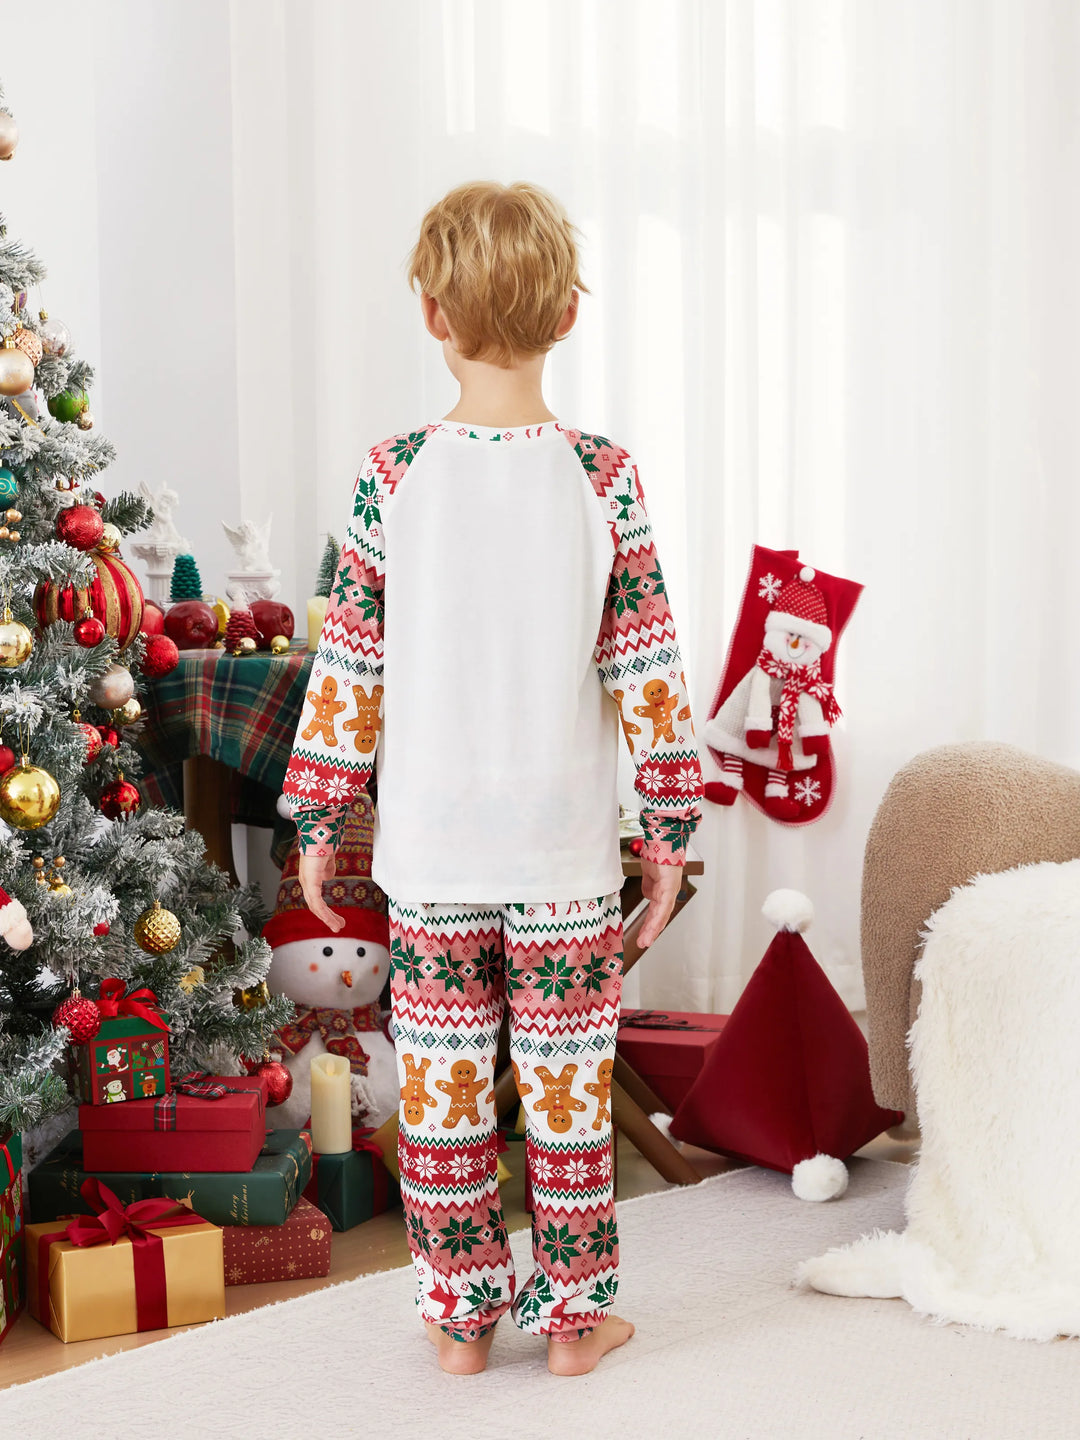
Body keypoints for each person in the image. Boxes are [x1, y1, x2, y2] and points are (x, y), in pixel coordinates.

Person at [281, 180, 704, 1377]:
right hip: (564, 855)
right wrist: (667, 832)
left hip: (432, 857)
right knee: (570, 1100)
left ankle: (458, 1317)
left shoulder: (391, 475)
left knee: (448, 1089)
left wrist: (317, 812)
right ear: (570, 311)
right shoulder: (603, 475)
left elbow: (349, 661)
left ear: (432, 317)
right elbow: (649, 667)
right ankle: (577, 1320)